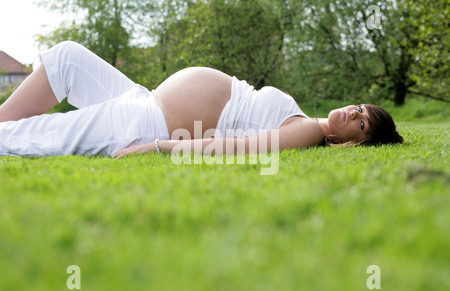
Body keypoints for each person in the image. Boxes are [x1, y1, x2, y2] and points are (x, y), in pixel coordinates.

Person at [0, 41, 403, 158]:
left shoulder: (306, 134)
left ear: (353, 141)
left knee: (29, 136)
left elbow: (232, 148)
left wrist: (159, 147)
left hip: (145, 124)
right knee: (68, 58)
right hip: (144, 100)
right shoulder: (301, 116)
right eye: (361, 108)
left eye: (361, 123)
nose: (354, 112)